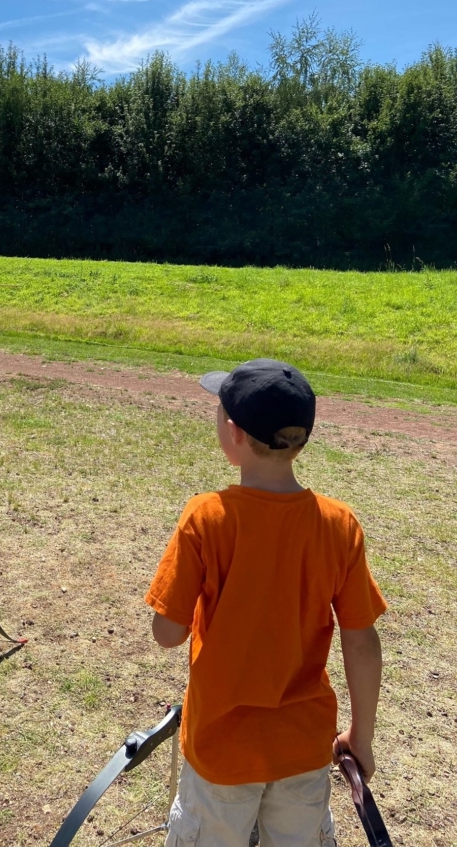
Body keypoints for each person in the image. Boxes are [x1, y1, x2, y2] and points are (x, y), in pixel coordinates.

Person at [146, 359, 386, 847]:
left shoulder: (205, 517)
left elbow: (167, 634)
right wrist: (360, 738)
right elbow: (361, 641)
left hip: (220, 751)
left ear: (233, 435)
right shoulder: (339, 524)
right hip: (302, 747)